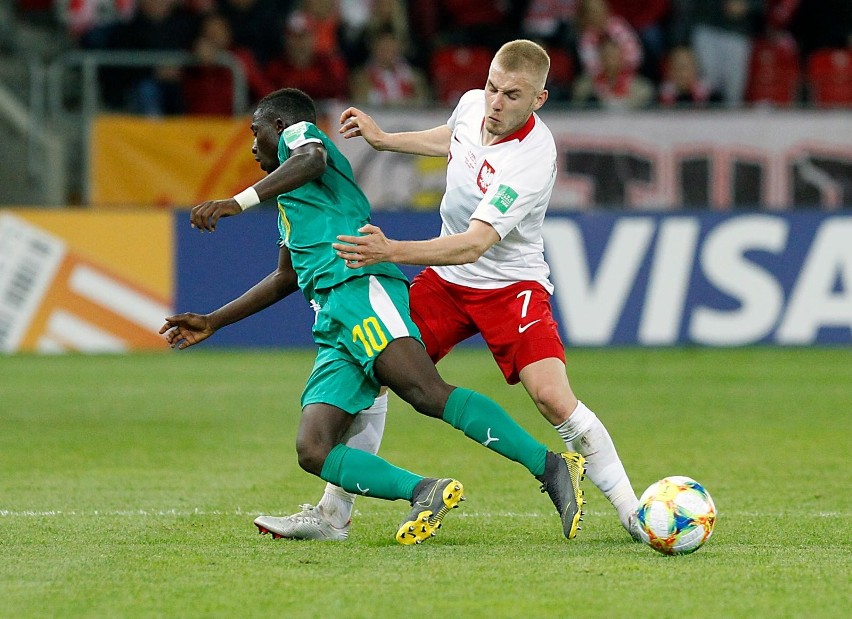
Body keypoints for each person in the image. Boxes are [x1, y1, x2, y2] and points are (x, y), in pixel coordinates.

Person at [160, 87, 586, 545]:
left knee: (425, 391)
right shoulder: (292, 205)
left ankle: (550, 465)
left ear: (279, 128)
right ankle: (421, 491)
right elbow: (286, 277)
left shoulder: (300, 139)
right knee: (314, 447)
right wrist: (215, 320)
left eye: (255, 131)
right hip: (332, 319)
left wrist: (236, 202)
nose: (251, 144)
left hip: (362, 287)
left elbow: (313, 158)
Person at [274, 40, 642, 542]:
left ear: (539, 100)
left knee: (552, 397)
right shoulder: (473, 104)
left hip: (509, 285)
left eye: (512, 95)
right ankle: (334, 513)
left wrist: (392, 251)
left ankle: (633, 512)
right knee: (375, 367)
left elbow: (473, 244)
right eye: (492, 87)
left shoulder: (532, 160)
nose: (494, 102)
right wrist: (384, 140)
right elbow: (451, 138)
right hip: (446, 284)